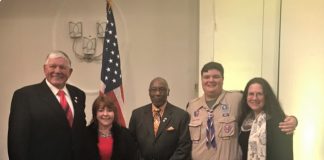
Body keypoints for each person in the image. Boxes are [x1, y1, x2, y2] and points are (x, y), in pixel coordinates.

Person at [186, 62, 297, 160]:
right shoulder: (191, 106)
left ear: (223, 79)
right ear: (201, 79)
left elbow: (263, 108)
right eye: (206, 77)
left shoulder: (237, 99)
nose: (211, 80)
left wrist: (292, 120)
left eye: (216, 76)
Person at [8, 50, 87, 160]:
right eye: (53, 66)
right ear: (45, 69)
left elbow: (80, 132)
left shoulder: (79, 94)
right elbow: (17, 141)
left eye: (62, 67)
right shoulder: (25, 96)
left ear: (70, 72)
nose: (57, 71)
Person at [129, 77, 192, 160]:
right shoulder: (137, 114)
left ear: (168, 92)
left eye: (161, 89)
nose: (157, 93)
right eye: (154, 89)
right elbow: (131, 143)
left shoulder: (181, 115)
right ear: (149, 92)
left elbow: (184, 146)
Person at [238, 77, 293, 160]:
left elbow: (286, 155)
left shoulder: (280, 122)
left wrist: (294, 120)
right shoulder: (244, 122)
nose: (254, 98)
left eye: (259, 94)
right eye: (251, 94)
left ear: (266, 96)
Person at [85, 95, 138, 160]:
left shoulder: (125, 134)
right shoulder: (85, 134)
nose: (105, 114)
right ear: (95, 114)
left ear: (114, 113)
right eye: (101, 110)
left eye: (109, 110)